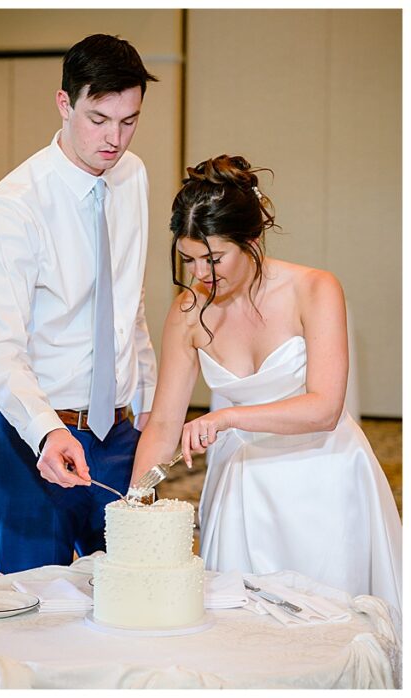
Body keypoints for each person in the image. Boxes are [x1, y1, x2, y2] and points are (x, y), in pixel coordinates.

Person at [131, 154, 402, 624]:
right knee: (241, 629)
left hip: (325, 476)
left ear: (252, 241)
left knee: (331, 627)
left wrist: (227, 417)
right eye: (190, 259)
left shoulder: (315, 289)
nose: (201, 274)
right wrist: (134, 504)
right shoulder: (188, 311)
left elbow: (324, 409)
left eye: (215, 258)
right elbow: (162, 423)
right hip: (243, 485)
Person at [0, 34, 159, 573]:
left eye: (129, 121)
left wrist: (147, 397)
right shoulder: (15, 205)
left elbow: (130, 304)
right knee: (37, 611)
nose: (114, 138)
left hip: (118, 435)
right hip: (28, 435)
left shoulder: (134, 176)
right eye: (98, 118)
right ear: (64, 103)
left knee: (128, 596)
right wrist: (48, 431)